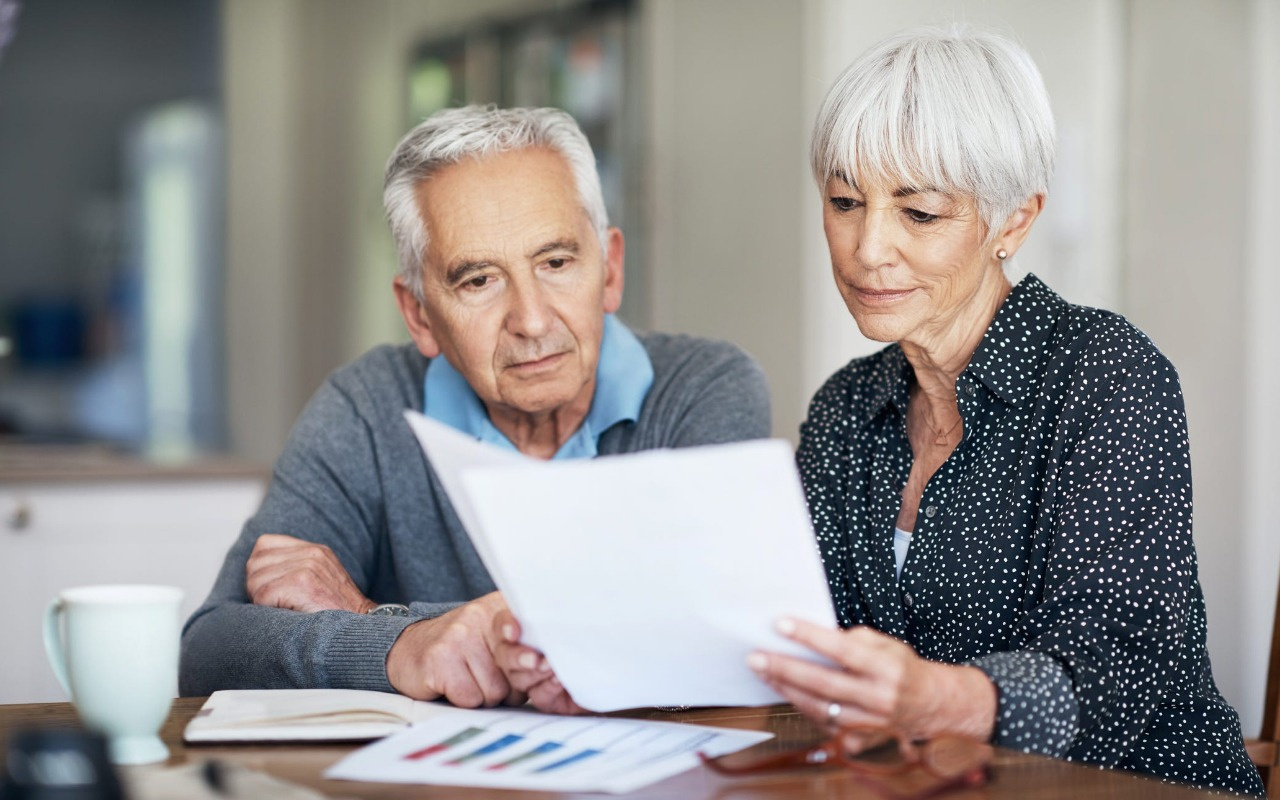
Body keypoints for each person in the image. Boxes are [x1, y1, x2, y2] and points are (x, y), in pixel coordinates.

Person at [745, 26, 1264, 796]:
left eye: (918, 213)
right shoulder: (846, 410)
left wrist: (941, 699)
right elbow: (804, 642)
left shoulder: (1106, 375)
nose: (867, 248)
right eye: (845, 201)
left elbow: (1119, 668)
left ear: (1013, 222)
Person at [180, 105, 771, 711]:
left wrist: (374, 617)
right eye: (478, 280)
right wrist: (406, 645)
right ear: (418, 314)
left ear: (611, 269)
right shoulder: (366, 407)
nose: (533, 321)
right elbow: (210, 649)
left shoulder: (705, 387)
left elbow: (713, 628)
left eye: (557, 263)